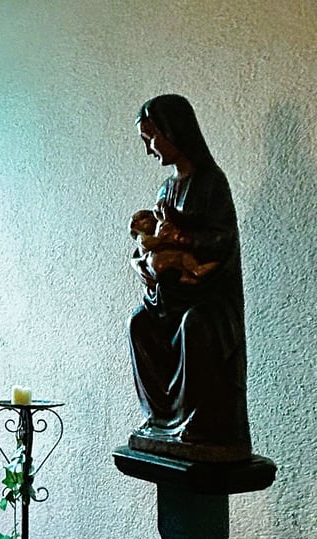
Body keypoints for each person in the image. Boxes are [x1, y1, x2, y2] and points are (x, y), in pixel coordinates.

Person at [127, 94, 251, 460]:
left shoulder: (212, 182)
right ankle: (163, 420)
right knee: (139, 324)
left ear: (174, 131)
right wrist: (150, 267)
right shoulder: (166, 189)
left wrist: (183, 239)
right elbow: (151, 239)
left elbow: (222, 240)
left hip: (211, 299)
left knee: (195, 326)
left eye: (152, 138)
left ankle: (201, 424)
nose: (150, 149)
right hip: (171, 296)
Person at [128, 206, 219, 285]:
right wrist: (162, 239)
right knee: (187, 261)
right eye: (144, 218)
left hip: (168, 262)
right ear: (135, 227)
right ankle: (204, 267)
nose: (150, 217)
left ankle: (187, 277)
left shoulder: (160, 226)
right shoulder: (143, 239)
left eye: (149, 215)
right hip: (165, 260)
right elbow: (150, 243)